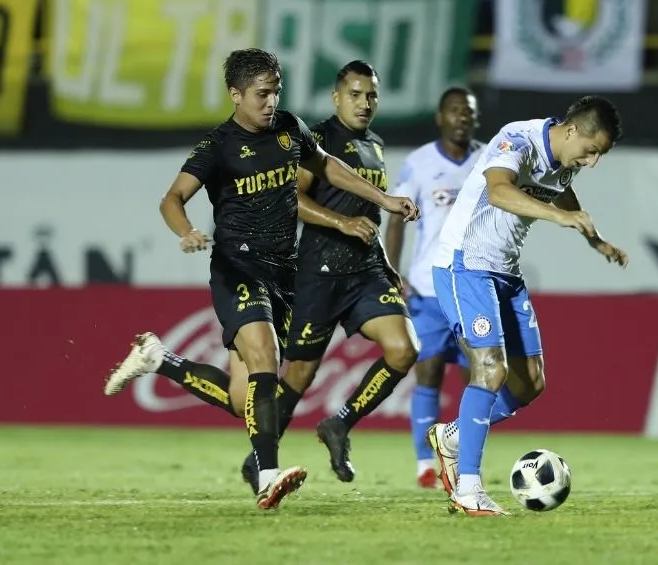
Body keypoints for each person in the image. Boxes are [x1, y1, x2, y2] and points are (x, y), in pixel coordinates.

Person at [102, 49, 419, 510]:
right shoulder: (218, 146)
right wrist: (186, 230)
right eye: (262, 94)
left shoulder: (290, 128)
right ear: (236, 94)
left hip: (284, 273)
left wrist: (384, 200)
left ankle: (158, 359)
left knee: (243, 399)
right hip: (239, 267)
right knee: (266, 357)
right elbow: (172, 198)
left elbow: (328, 166)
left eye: (276, 92)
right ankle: (268, 475)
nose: (271, 102)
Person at [427, 96, 629, 516]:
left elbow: (562, 189)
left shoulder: (567, 159)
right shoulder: (517, 140)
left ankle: (453, 436)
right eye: (591, 151)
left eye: (600, 156)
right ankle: (468, 489)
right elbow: (499, 191)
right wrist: (559, 218)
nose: (592, 162)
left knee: (530, 382)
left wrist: (595, 240)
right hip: (464, 264)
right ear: (571, 130)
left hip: (505, 270)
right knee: (490, 369)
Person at [237, 60, 423, 490]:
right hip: (319, 273)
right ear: (336, 97)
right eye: (355, 95)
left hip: (366, 271)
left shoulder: (375, 145)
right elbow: (291, 198)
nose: (364, 103)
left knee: (404, 349)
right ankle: (260, 457)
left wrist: (387, 264)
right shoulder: (318, 140)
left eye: (372, 95)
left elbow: (368, 211)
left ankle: (339, 424)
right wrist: (341, 223)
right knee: (300, 375)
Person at [384, 86, 483, 489]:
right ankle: (425, 463)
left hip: (475, 287)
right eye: (455, 110)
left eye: (469, 111)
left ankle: (463, 457)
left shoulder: (488, 160)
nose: (463, 117)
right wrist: (393, 271)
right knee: (428, 372)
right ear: (440, 117)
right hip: (429, 286)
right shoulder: (420, 163)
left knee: (480, 376)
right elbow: (395, 217)